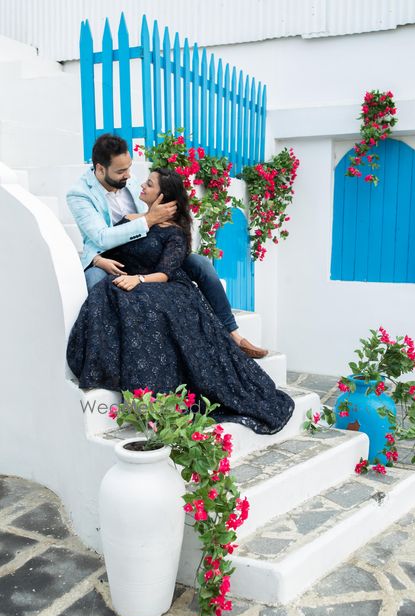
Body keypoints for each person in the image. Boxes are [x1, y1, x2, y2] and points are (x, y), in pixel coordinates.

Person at [66, 168, 294, 435]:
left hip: (159, 282)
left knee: (167, 296)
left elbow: (165, 273)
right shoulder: (129, 220)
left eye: (149, 184)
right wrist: (99, 260)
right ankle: (108, 367)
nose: (141, 185)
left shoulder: (174, 232)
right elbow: (105, 244)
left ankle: (232, 336)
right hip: (131, 279)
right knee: (110, 293)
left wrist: (138, 279)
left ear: (162, 196)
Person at [67, 133, 267, 359]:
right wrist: (147, 221)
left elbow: (153, 213)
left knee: (202, 265)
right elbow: (101, 237)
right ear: (100, 169)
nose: (129, 176)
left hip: (147, 247)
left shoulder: (127, 180)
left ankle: (233, 334)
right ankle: (107, 353)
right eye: (121, 171)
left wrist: (159, 227)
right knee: (95, 281)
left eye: (129, 168)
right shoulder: (79, 194)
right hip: (108, 256)